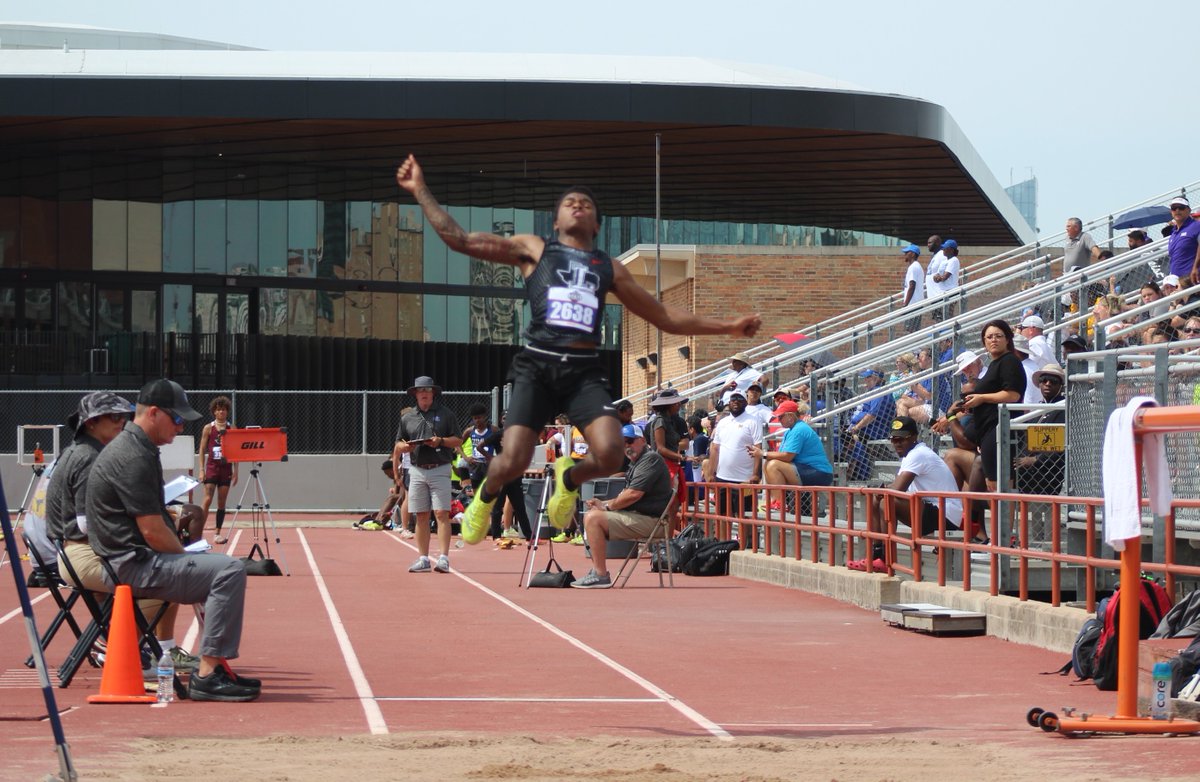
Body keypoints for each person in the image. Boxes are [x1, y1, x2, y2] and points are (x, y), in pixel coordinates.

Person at [395, 155, 761, 544]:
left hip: (583, 371)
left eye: (586, 203)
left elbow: (665, 316)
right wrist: (420, 189)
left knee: (610, 452)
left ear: (597, 224)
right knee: (514, 458)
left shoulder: (608, 267)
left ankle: (568, 477)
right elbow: (462, 240)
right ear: (556, 221)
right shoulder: (535, 249)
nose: (578, 205)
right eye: (569, 202)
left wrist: (729, 327)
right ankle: (484, 498)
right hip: (537, 367)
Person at [86, 379, 259, 702]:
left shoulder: (136, 448)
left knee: (215, 566)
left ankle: (214, 667)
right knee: (229, 570)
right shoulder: (132, 455)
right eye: (177, 419)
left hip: (127, 558)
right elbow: (151, 529)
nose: (181, 427)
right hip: (131, 565)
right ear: (153, 413)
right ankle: (208, 673)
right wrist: (185, 557)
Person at [46, 391, 198, 671]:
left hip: (78, 551)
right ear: (91, 423)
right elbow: (86, 524)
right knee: (163, 576)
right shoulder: (90, 458)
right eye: (114, 417)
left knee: (159, 563)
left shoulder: (83, 451)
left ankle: (151, 648)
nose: (122, 422)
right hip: (83, 553)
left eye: (125, 417)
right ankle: (118, 646)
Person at [849, 416, 963, 571]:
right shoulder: (911, 454)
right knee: (876, 499)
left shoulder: (918, 454)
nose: (897, 444)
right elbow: (896, 488)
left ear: (914, 437)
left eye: (901, 439)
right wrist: (881, 490)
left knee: (885, 500)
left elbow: (898, 489)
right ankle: (877, 555)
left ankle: (884, 558)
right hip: (934, 508)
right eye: (894, 440)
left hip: (946, 514)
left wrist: (882, 489)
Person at [572, 424, 674, 589]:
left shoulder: (650, 459)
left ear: (642, 440)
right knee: (593, 513)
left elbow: (633, 494)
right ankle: (598, 572)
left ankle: (600, 574)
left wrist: (606, 507)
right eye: (623, 443)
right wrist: (603, 504)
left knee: (593, 518)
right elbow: (627, 495)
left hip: (654, 522)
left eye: (630, 441)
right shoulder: (637, 462)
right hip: (642, 517)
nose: (626, 446)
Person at [392, 375, 462, 573]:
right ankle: (423, 558)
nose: (424, 394)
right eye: (420, 391)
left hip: (440, 467)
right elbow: (397, 443)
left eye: (427, 391)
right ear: (415, 394)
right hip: (417, 470)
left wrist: (440, 441)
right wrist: (404, 447)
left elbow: (457, 440)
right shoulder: (407, 417)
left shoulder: (446, 414)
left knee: (441, 512)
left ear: (433, 393)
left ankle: (443, 558)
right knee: (421, 514)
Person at [962, 319, 1027, 491]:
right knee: (992, 484)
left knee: (1000, 484)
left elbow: (1013, 395)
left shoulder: (1010, 361)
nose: (994, 340)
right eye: (989, 337)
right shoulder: (995, 364)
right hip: (988, 431)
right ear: (984, 342)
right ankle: (999, 518)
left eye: (998, 336)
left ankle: (1004, 518)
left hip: (1000, 430)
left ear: (1007, 339)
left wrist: (982, 398)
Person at [748, 399, 832, 513]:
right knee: (769, 463)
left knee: (773, 465)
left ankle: (780, 503)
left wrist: (762, 453)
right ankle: (778, 501)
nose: (779, 419)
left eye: (781, 416)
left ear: (790, 417)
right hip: (808, 469)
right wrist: (764, 455)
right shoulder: (790, 431)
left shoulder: (799, 429)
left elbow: (787, 457)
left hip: (819, 472)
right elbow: (782, 456)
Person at [703, 390, 763, 518]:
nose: (736, 401)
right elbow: (715, 448)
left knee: (745, 516)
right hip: (722, 477)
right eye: (733, 399)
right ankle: (724, 539)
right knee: (722, 516)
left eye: (740, 399)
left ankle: (746, 539)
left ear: (746, 402)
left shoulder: (753, 421)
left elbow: (758, 448)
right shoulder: (723, 423)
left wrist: (755, 474)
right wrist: (711, 473)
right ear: (729, 403)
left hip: (745, 480)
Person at [1014, 364, 1067, 496]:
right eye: (1044, 380)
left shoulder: (1063, 408)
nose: (1048, 384)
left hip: (1049, 471)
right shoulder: (1037, 409)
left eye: (1053, 381)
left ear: (1061, 386)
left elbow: (1060, 446)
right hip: (1028, 471)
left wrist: (1035, 460)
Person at [198, 396, 238, 545]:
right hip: (212, 468)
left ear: (227, 411)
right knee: (207, 499)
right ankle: (198, 531)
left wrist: (236, 470)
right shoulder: (208, 428)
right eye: (218, 409)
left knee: (222, 502)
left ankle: (217, 533)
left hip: (226, 468)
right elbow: (202, 449)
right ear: (214, 411)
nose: (221, 412)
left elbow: (235, 451)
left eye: (223, 409)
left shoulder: (231, 428)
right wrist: (201, 470)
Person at [643, 388, 689, 505]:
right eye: (676, 403)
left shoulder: (669, 421)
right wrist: (682, 457)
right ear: (668, 405)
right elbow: (661, 448)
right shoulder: (660, 421)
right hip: (665, 468)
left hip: (671, 465)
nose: (679, 405)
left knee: (674, 505)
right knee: (670, 505)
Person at [357, 459, 404, 531]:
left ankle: (379, 522)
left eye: (388, 473)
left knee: (392, 498)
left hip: (408, 499)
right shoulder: (396, 478)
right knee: (391, 497)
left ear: (392, 469)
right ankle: (377, 520)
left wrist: (391, 512)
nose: (388, 476)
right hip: (402, 501)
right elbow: (396, 495)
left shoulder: (402, 476)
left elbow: (402, 496)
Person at [899, 244, 924, 333]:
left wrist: (905, 304)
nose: (904, 254)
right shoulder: (916, 266)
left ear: (913, 254)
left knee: (911, 330)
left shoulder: (913, 267)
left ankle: (916, 347)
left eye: (907, 252)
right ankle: (917, 347)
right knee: (913, 330)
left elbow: (912, 286)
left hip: (913, 305)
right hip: (915, 304)